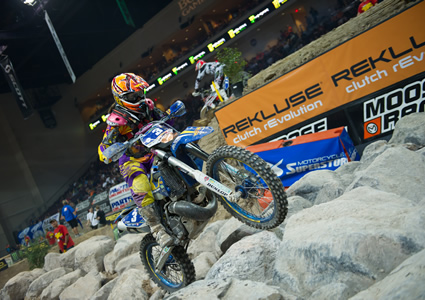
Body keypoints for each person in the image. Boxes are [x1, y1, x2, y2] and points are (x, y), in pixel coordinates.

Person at [98, 73, 173, 248]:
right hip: (132, 159)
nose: (139, 97)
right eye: (133, 96)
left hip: (154, 149)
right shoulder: (116, 120)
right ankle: (157, 229)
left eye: (140, 93)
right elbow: (104, 145)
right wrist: (106, 153)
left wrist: (172, 113)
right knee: (141, 185)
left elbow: (164, 117)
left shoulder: (148, 107)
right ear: (122, 98)